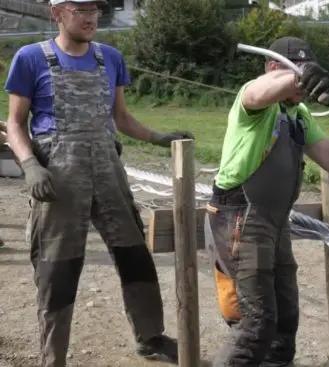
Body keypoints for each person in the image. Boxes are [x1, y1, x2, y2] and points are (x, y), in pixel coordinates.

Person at [4, 0, 194, 365]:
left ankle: (150, 337)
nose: (91, 17)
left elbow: (120, 117)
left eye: (95, 9)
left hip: (108, 168)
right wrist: (30, 165)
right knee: (57, 267)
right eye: (80, 9)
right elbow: (14, 123)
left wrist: (158, 137)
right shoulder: (30, 58)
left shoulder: (110, 58)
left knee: (134, 253)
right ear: (57, 13)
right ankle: (53, 357)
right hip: (58, 175)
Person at [205, 36, 329, 367]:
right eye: (295, 70)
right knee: (255, 324)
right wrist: (297, 75)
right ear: (275, 68)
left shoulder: (298, 113)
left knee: (285, 320)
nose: (303, 82)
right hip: (241, 219)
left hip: (275, 223)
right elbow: (260, 90)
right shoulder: (254, 102)